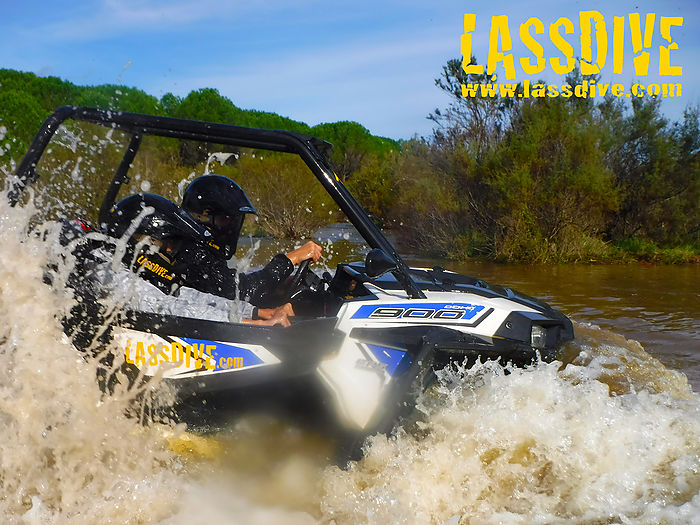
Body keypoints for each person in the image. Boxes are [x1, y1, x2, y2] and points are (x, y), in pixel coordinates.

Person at [104, 193, 293, 327]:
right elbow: (168, 307)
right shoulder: (110, 273)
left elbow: (187, 297)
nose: (174, 253)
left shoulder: (136, 271)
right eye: (170, 245)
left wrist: (256, 313)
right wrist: (255, 324)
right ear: (142, 244)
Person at [179, 174, 323, 307]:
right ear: (201, 218)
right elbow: (242, 291)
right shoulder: (191, 251)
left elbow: (228, 288)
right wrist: (292, 258)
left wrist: (279, 287)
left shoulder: (203, 251)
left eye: (235, 221)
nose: (231, 228)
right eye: (225, 220)